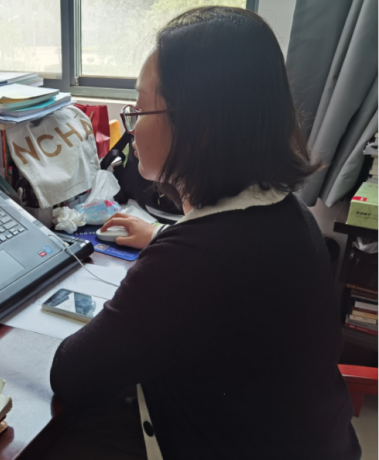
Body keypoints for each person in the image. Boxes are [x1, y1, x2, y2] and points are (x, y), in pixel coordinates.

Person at [47, 7, 360, 460]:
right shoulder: (285, 211)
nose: (132, 125)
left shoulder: (194, 262)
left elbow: (73, 374)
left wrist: (167, 255)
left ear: (201, 127)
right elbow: (227, 272)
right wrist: (161, 235)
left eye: (140, 108)